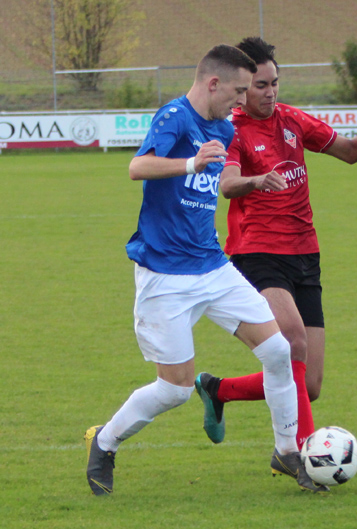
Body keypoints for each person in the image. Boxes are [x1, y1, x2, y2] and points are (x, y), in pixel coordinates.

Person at [84, 44, 327, 496]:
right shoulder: (175, 117)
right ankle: (104, 442)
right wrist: (190, 163)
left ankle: (287, 450)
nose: (241, 101)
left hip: (214, 267)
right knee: (174, 390)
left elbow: (228, 181)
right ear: (213, 83)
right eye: (237, 90)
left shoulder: (223, 128)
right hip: (165, 277)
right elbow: (137, 167)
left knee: (278, 351)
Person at [193, 36, 357, 456]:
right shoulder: (233, 130)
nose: (270, 91)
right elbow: (226, 184)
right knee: (292, 340)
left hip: (305, 255)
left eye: (275, 82)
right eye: (260, 85)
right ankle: (300, 456)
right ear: (243, 89)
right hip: (257, 253)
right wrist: (256, 181)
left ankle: (217, 389)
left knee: (308, 384)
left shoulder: (293, 120)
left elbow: (350, 152)